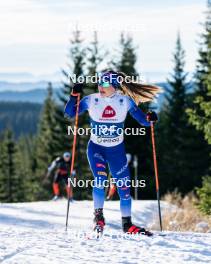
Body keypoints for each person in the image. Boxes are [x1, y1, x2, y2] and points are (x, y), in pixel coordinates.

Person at [64, 70, 160, 235]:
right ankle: (98, 217)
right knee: (100, 179)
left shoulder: (125, 101)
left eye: (106, 83)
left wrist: (151, 118)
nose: (101, 86)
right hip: (96, 149)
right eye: (99, 82)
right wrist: (74, 95)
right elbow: (69, 113)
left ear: (115, 86)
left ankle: (127, 225)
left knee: (124, 189)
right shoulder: (91, 100)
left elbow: (144, 121)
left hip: (117, 152)